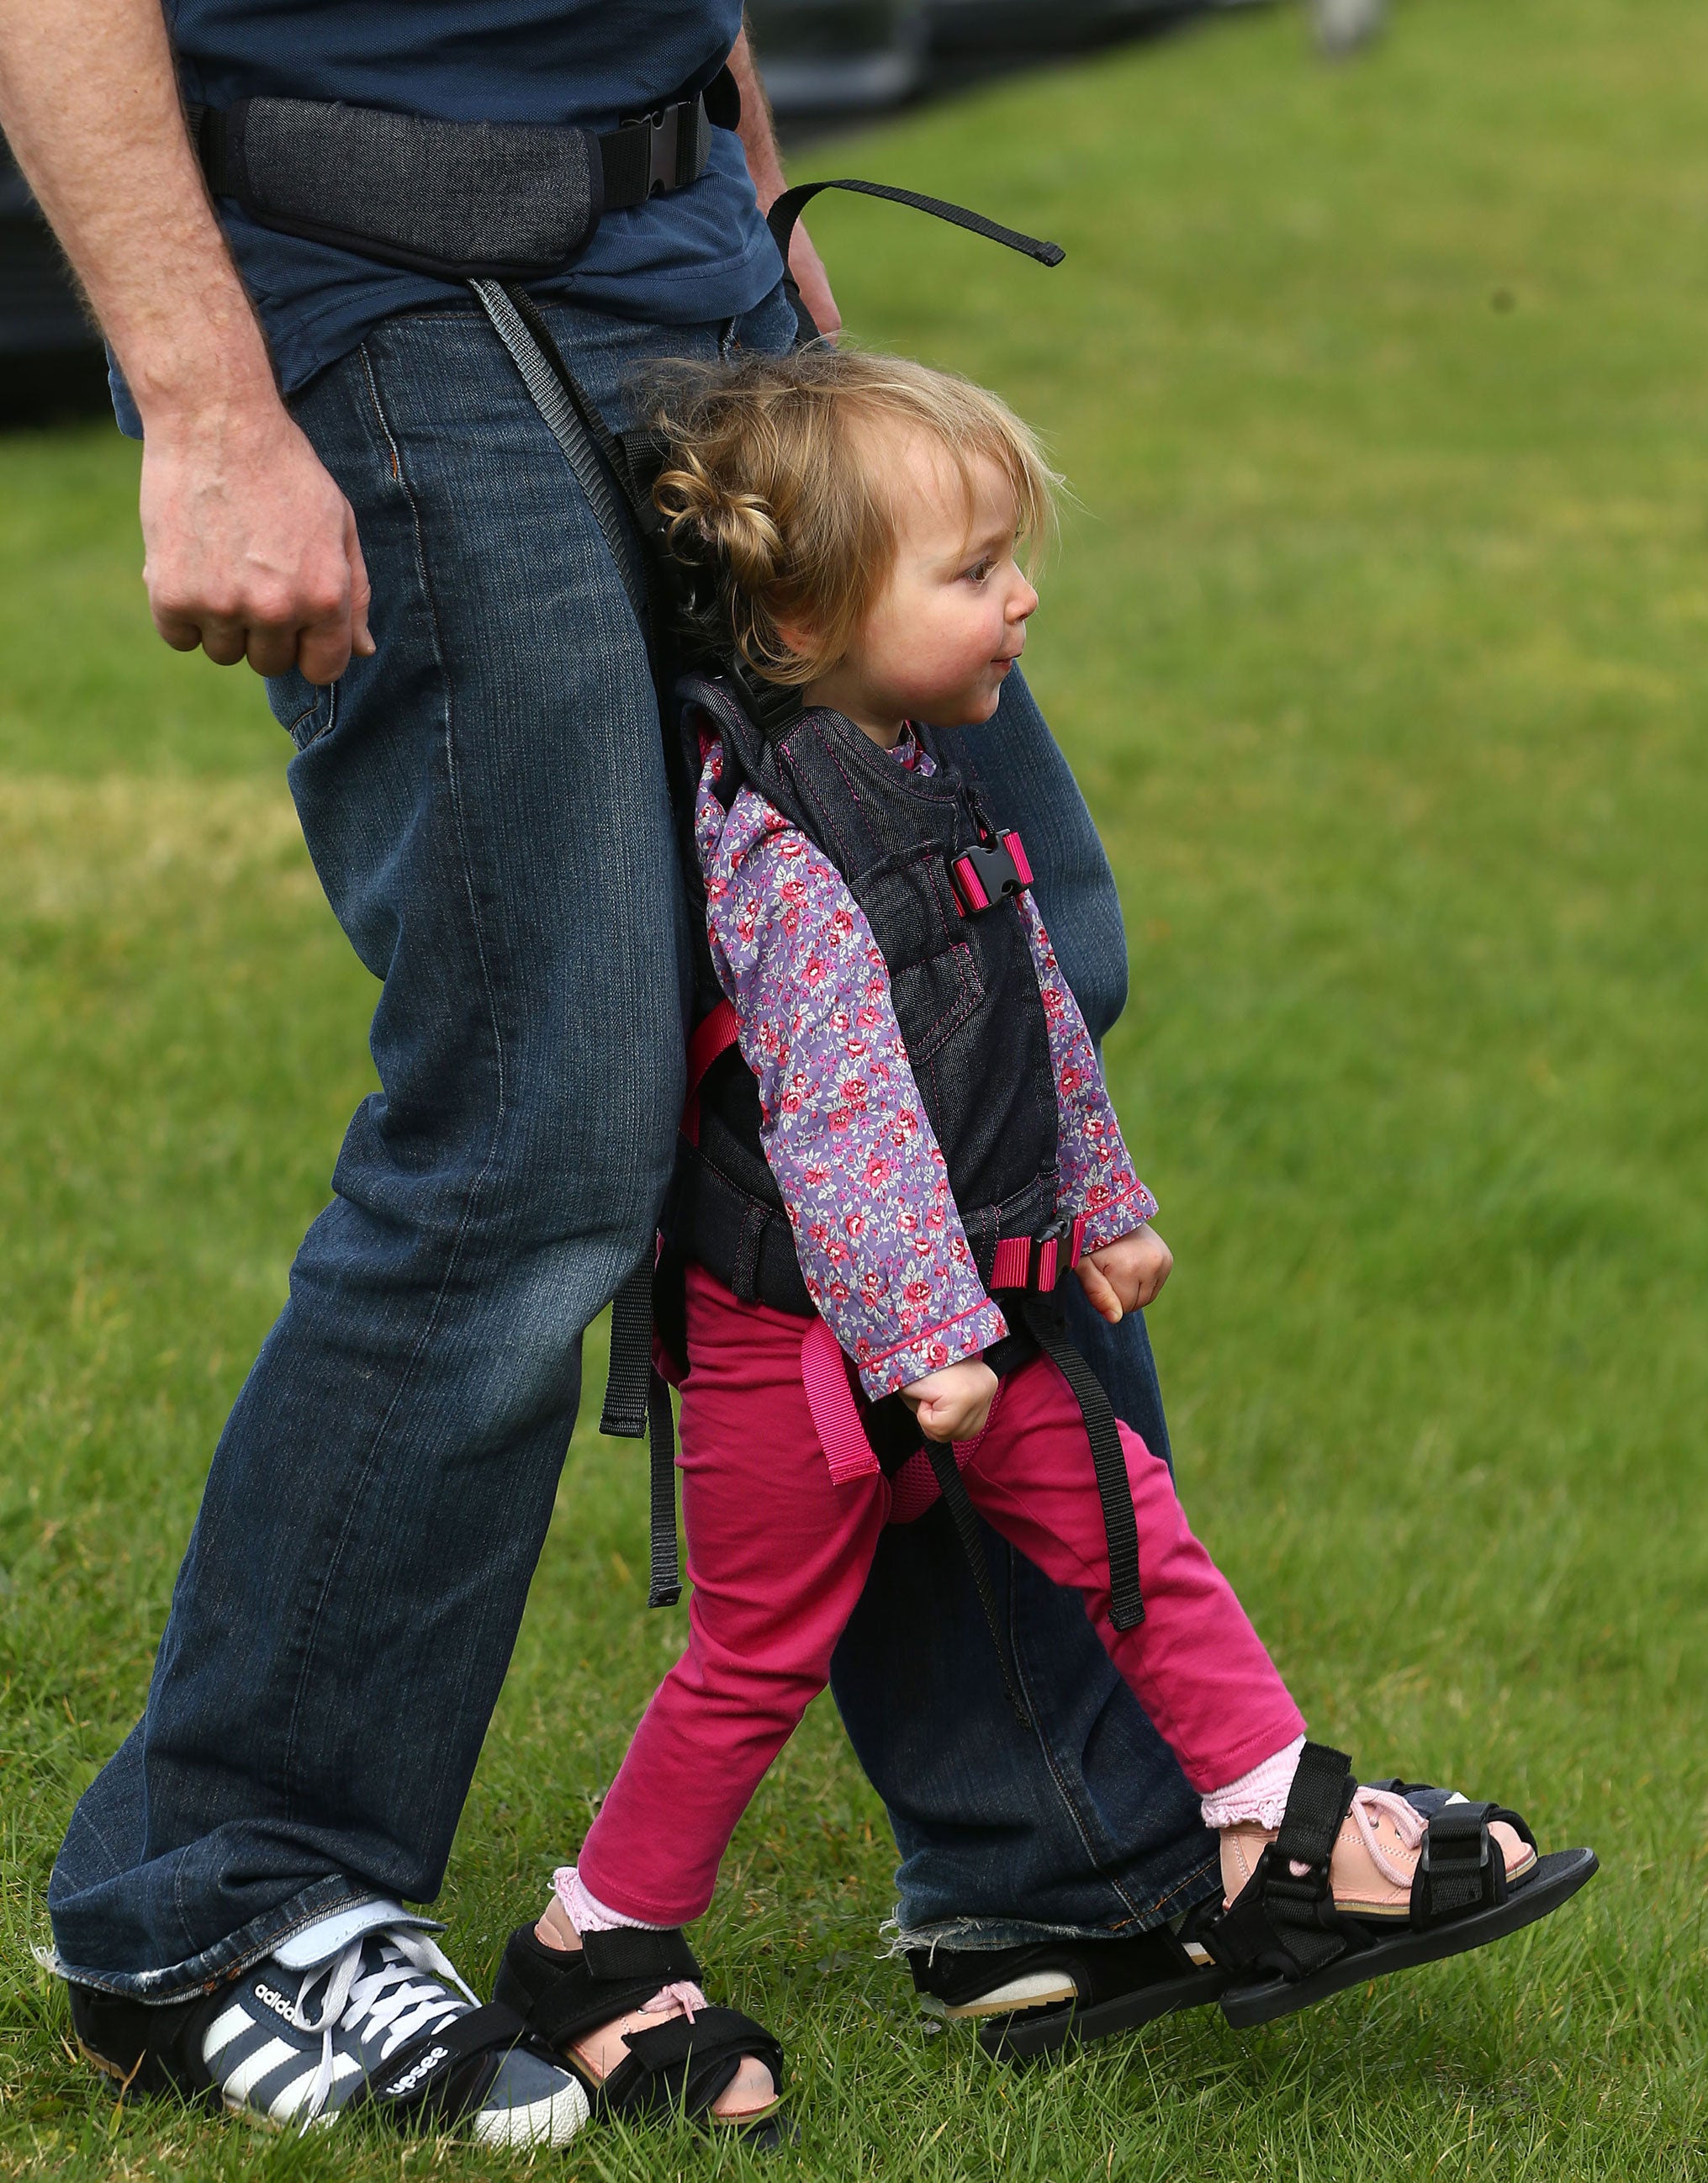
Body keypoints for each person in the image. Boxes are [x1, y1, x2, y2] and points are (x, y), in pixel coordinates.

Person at [0, 0, 1224, 2143]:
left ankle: (1071, 1853)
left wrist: (749, 207)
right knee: (540, 1113)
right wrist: (203, 398)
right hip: (368, 279)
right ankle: (217, 1897)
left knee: (1004, 976)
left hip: (675, 233)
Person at [486, 346, 1593, 2125]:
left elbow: (1028, 1009)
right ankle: (592, 1943)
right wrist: (925, 1337)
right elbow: (839, 1126)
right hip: (816, 1348)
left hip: (962, 1322)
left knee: (1131, 1533)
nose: (1022, 598)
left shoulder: (922, 768)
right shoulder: (783, 844)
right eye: (974, 568)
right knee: (757, 1647)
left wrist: (1099, 1202)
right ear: (809, 608)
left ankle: (1268, 1825)